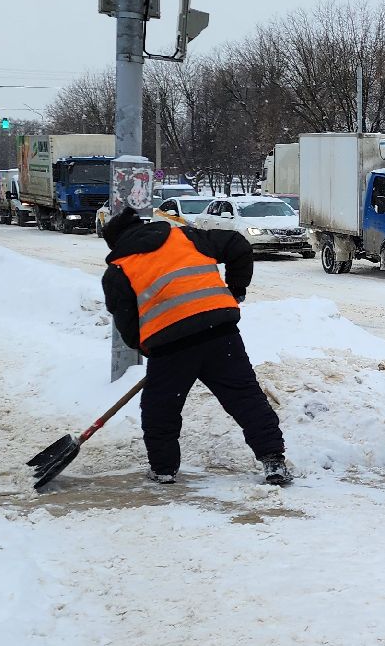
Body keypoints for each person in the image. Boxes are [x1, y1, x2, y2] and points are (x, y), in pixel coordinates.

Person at [101, 207, 290, 486]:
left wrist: (148, 349)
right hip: (220, 334)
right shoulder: (185, 237)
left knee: (160, 409)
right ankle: (274, 461)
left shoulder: (118, 270)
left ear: (115, 242)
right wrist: (236, 289)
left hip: (171, 347)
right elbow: (238, 244)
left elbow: (127, 325)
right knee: (245, 397)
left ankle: (163, 469)